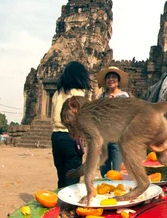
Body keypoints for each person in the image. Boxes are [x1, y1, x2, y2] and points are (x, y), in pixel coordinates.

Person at [51, 61, 92, 189]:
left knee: (61, 176)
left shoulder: (57, 93)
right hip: (70, 137)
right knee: (72, 179)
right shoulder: (78, 94)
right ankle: (68, 208)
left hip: (56, 137)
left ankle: (60, 204)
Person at [96, 66, 130, 176]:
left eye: (114, 77)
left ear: (118, 81)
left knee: (117, 170)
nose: (111, 79)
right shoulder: (101, 97)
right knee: (104, 170)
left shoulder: (124, 96)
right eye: (108, 77)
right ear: (105, 81)